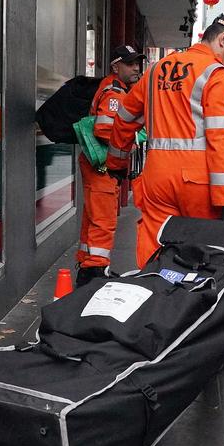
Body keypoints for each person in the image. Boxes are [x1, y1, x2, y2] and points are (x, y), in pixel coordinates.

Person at [107, 14, 224, 268]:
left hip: (157, 177)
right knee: (200, 251)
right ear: (223, 38)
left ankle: (153, 294)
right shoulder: (217, 75)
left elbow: (124, 118)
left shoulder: (155, 71)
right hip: (198, 182)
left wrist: (117, 163)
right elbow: (222, 140)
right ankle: (189, 302)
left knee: (155, 243)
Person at [75, 44, 145, 286]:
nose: (136, 67)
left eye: (137, 62)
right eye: (130, 63)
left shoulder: (113, 88)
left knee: (93, 217)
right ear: (116, 66)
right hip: (103, 166)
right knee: (103, 220)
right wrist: (133, 135)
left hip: (98, 165)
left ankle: (87, 266)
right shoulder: (115, 94)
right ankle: (95, 271)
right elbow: (105, 129)